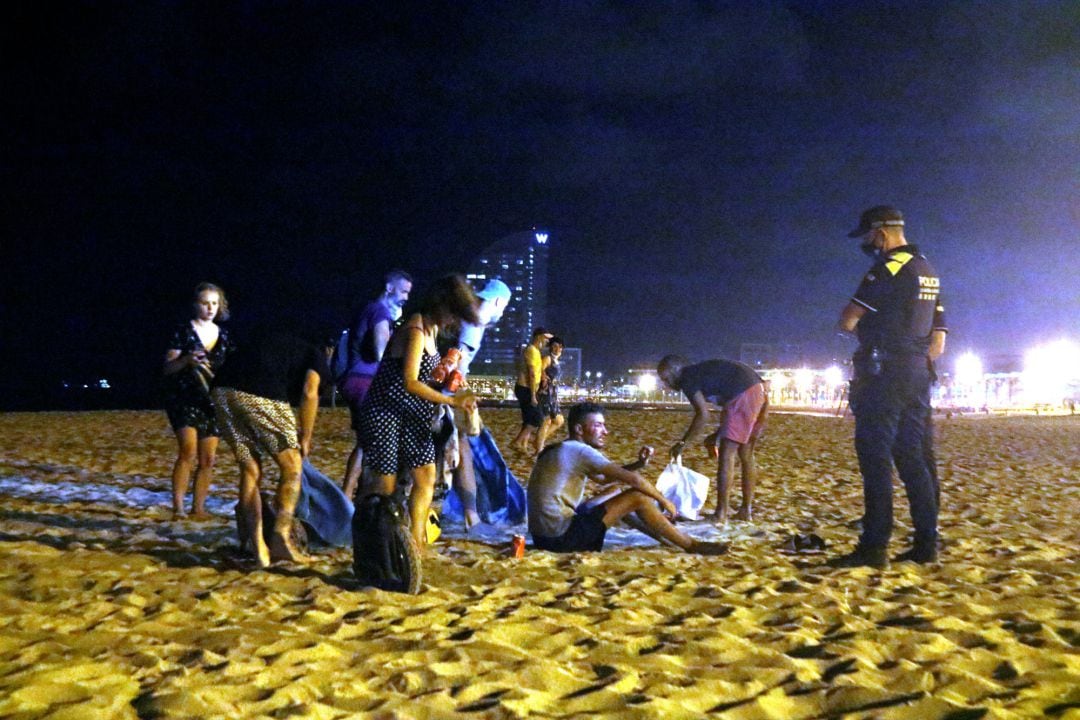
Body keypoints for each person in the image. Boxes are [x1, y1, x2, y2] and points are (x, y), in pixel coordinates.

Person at [829, 205, 947, 568]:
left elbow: (847, 321)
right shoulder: (928, 270)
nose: (867, 243)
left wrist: (877, 335)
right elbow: (938, 344)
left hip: (885, 374)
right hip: (918, 373)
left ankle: (874, 545)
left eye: (867, 236)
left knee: (875, 456)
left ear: (881, 232)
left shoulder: (888, 268)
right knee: (914, 458)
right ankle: (927, 543)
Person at [357, 274, 480, 551]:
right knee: (384, 487)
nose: (454, 321)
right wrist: (452, 402)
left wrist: (451, 380)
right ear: (441, 304)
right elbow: (410, 381)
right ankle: (373, 545)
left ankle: (415, 546)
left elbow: (426, 379)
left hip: (413, 415)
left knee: (425, 476)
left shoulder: (432, 331)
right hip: (386, 412)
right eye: (453, 313)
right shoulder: (415, 329)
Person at [527, 402, 729, 555]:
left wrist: (639, 464)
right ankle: (691, 545)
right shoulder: (580, 451)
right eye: (598, 426)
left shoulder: (563, 448)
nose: (605, 432)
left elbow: (604, 479)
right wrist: (664, 501)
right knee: (637, 497)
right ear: (579, 429)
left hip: (542, 538)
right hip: (562, 538)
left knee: (613, 495)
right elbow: (634, 481)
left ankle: (666, 539)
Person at [212, 326, 331, 567]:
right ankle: (281, 539)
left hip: (221, 391)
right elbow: (310, 392)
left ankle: (258, 550)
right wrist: (305, 435)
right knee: (292, 467)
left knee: (250, 468)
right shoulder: (316, 353)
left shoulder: (278, 341)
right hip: (260, 393)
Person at [657, 355, 768, 525]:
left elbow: (703, 414)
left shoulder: (688, 378)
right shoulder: (701, 372)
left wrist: (682, 443)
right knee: (746, 453)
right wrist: (716, 435)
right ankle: (746, 510)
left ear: (675, 371)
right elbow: (730, 412)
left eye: (666, 378)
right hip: (759, 389)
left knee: (726, 453)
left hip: (743, 392)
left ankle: (721, 513)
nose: (667, 384)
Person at [339, 270, 413, 500]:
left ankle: (351, 494)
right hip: (366, 382)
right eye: (403, 291)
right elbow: (383, 353)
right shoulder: (380, 312)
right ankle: (353, 495)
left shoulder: (369, 308)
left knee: (365, 441)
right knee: (373, 442)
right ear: (389, 288)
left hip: (353, 380)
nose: (406, 298)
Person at [162, 282, 232, 519]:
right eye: (205, 303)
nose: (210, 308)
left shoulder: (224, 335)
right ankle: (178, 508)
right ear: (196, 305)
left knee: (208, 458)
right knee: (188, 451)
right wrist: (186, 360)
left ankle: (198, 508)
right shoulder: (183, 330)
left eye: (214, 303)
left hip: (211, 401)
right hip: (184, 398)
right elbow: (168, 368)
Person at [448, 278, 512, 528]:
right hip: (447, 393)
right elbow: (457, 365)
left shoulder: (463, 318)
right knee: (462, 446)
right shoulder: (474, 324)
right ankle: (471, 513)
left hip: (441, 390)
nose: (503, 312)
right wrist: (461, 397)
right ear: (497, 301)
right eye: (504, 307)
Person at [510, 327, 552, 452]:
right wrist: (533, 395)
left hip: (527, 388)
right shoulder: (532, 351)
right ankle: (517, 442)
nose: (546, 342)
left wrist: (544, 377)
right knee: (537, 418)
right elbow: (532, 374)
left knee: (529, 418)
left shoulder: (535, 351)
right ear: (539, 337)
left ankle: (521, 445)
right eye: (545, 338)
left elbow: (537, 372)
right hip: (526, 388)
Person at [533, 335, 566, 455]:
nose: (557, 349)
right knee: (546, 421)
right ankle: (539, 449)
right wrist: (543, 377)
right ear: (550, 347)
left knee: (559, 420)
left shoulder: (556, 361)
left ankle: (538, 441)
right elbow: (539, 369)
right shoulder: (548, 358)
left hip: (553, 394)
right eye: (555, 346)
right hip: (545, 392)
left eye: (560, 347)